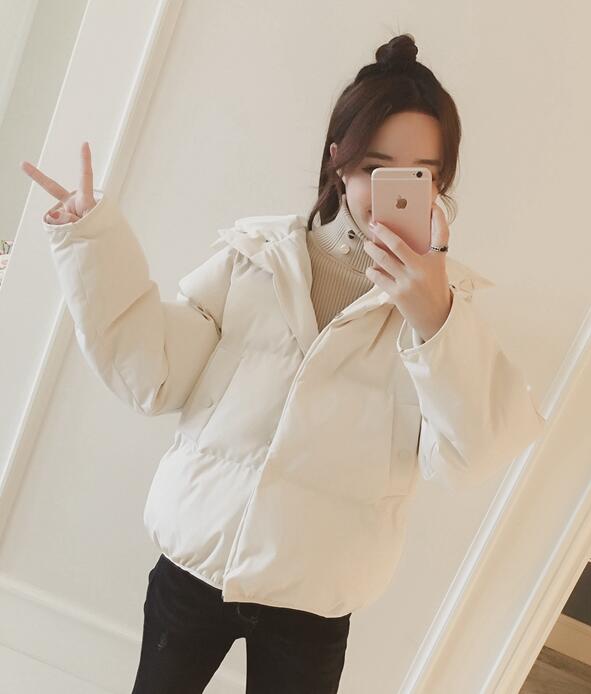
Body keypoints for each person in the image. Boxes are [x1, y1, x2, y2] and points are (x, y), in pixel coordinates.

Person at [20, 33, 546, 694]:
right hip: (196, 567)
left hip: (312, 602)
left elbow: (469, 457)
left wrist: (434, 315)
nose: (392, 190)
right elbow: (153, 373)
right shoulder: (252, 258)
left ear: (438, 184)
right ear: (338, 159)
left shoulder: (446, 315)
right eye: (375, 165)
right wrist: (90, 242)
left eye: (420, 174)